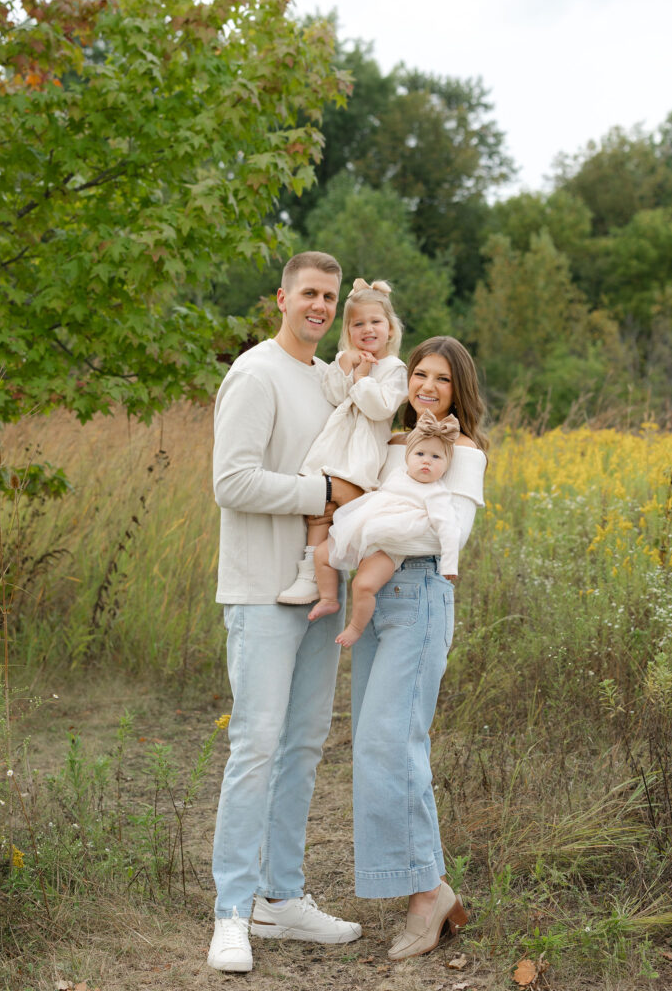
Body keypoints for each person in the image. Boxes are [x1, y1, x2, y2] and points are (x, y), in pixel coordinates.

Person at [208, 251, 364, 974]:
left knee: (302, 746)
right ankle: (231, 913)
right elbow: (231, 481)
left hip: (320, 589)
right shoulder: (255, 371)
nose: (320, 305)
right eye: (309, 292)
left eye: (329, 296)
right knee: (256, 748)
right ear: (280, 297)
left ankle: (281, 898)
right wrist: (322, 491)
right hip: (261, 591)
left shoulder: (323, 380)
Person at [351, 336, 488, 961]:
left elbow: (432, 530)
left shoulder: (463, 452)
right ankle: (430, 886)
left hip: (421, 599)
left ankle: (425, 894)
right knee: (374, 741)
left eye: (441, 378)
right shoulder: (395, 444)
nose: (427, 386)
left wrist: (368, 521)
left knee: (392, 740)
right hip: (377, 602)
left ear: (459, 389)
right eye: (419, 374)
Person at [277, 278, 407, 605]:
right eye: (357, 324)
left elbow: (380, 408)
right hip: (335, 451)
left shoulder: (394, 368)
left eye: (375, 322)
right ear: (347, 331)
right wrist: (345, 367)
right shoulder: (346, 360)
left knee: (332, 510)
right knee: (320, 511)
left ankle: (324, 578)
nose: (367, 329)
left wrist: (362, 378)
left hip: (361, 458)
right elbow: (333, 396)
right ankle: (314, 579)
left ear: (390, 329)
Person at [309, 410, 461, 645]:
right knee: (321, 554)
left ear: (447, 465)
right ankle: (329, 598)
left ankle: (355, 627)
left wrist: (450, 563)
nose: (426, 461)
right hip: (362, 531)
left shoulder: (436, 493)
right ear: (407, 457)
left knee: (364, 584)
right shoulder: (398, 474)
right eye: (420, 454)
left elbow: (448, 528)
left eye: (436, 457)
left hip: (388, 546)